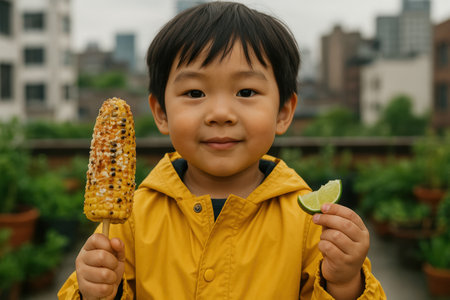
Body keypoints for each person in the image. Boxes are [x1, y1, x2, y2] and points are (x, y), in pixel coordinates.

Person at [59, 2, 385, 299]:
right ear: (161, 113)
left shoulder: (307, 222)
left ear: (284, 112)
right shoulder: (131, 218)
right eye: (195, 92)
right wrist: (93, 291)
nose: (220, 113)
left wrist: (344, 282)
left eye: (245, 91)